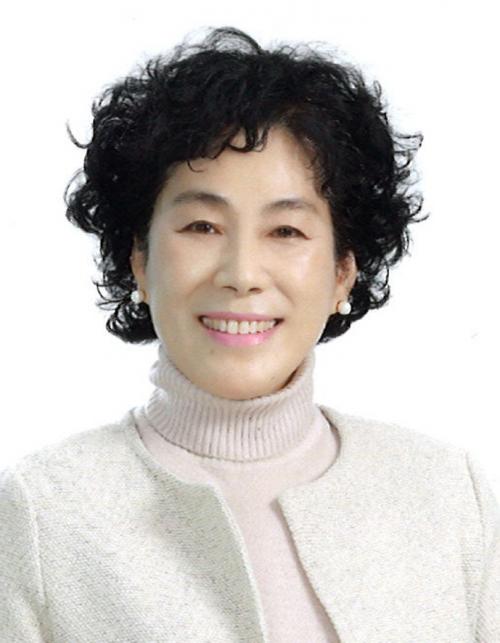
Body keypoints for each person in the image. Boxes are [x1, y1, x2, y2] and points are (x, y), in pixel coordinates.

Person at [1, 25, 498, 643]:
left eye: (286, 231)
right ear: (140, 262)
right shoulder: (43, 513)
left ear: (343, 271)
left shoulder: (448, 495)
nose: (241, 274)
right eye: (202, 226)